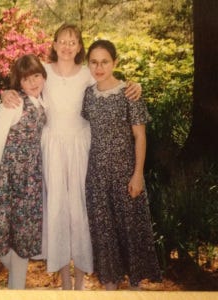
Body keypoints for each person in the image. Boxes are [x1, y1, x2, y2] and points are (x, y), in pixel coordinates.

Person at [1, 23, 142, 290]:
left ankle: (80, 282)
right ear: (54, 44)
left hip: (81, 146)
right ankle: (65, 282)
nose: (67, 46)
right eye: (62, 41)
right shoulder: (44, 71)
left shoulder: (88, 74)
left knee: (81, 210)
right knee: (57, 210)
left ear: (79, 47)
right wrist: (6, 92)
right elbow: (23, 86)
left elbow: (113, 83)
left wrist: (135, 86)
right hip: (52, 146)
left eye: (73, 42)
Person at [81, 39, 162, 290]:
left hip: (125, 174)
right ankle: (110, 288)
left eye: (105, 61)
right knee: (105, 235)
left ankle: (135, 288)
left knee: (130, 233)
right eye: (94, 62)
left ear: (115, 62)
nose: (99, 67)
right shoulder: (88, 95)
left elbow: (140, 136)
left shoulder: (129, 93)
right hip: (96, 176)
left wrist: (138, 174)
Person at [0, 54, 47, 290]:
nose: (33, 83)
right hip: (3, 178)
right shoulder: (14, 104)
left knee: (22, 237)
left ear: (44, 76)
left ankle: (17, 290)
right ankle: (16, 279)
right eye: (26, 80)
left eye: (36, 76)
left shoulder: (43, 101)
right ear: (18, 83)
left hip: (27, 181)